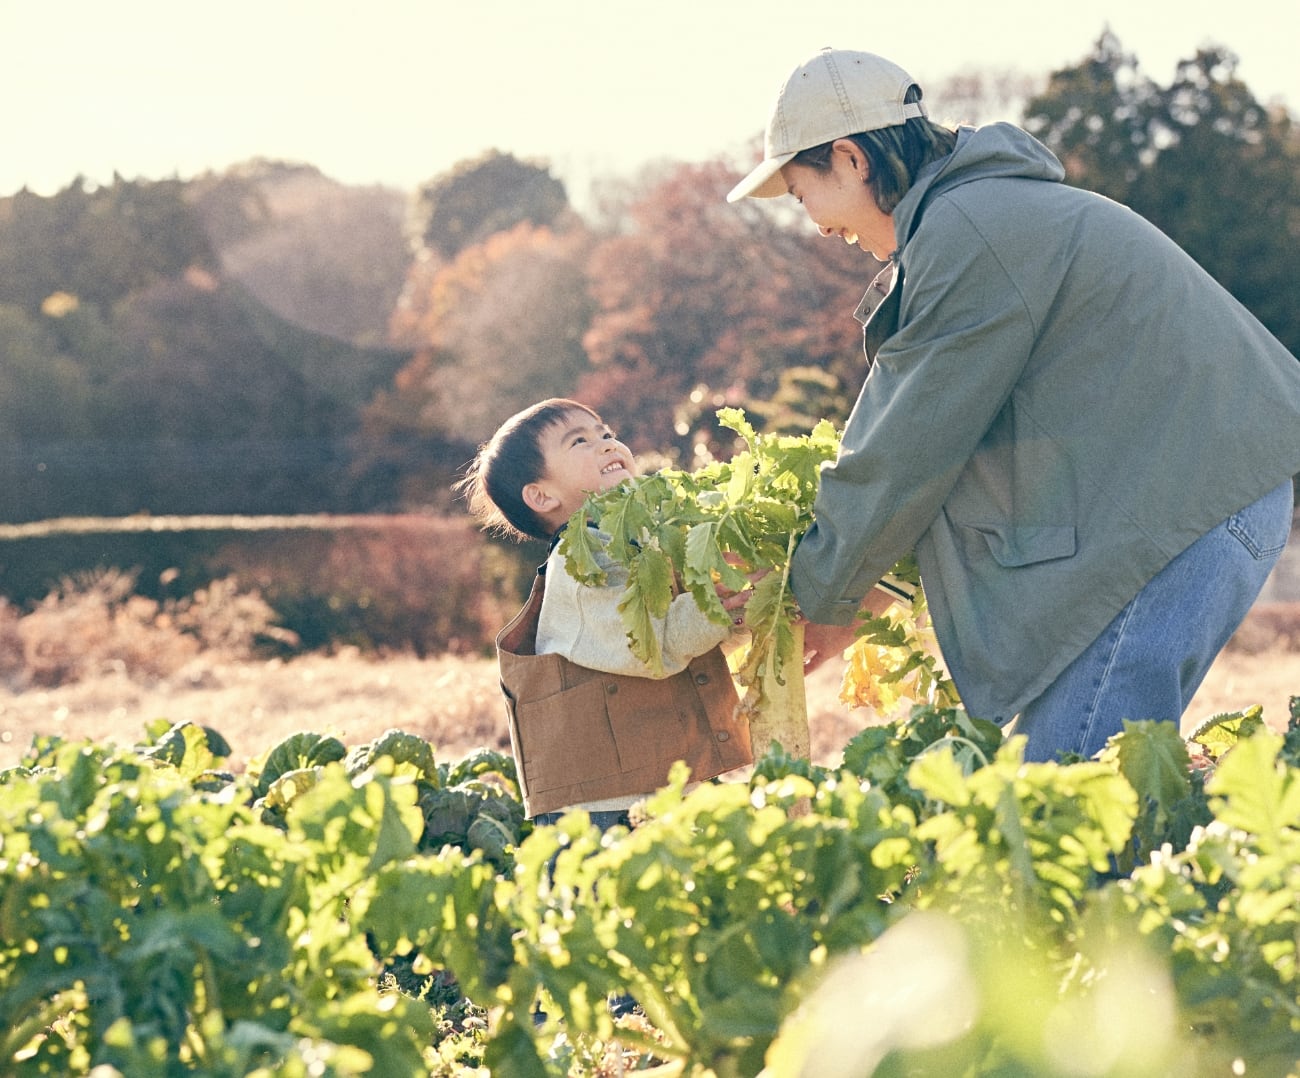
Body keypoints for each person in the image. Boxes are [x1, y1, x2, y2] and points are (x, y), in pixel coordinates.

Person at [727, 47, 1300, 761]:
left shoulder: (968, 231)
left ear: (849, 158)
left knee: (1064, 789)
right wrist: (863, 586)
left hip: (1189, 508)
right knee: (1088, 786)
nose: (808, 220)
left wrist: (821, 595)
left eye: (798, 189)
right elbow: (957, 447)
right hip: (1200, 496)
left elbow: (905, 445)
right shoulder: (984, 212)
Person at [457, 398, 754, 830]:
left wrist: (741, 607)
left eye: (607, 433)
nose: (606, 444)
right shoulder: (580, 564)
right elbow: (653, 645)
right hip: (605, 810)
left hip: (672, 783)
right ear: (542, 496)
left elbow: (705, 638)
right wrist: (718, 603)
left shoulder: (646, 542)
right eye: (579, 441)